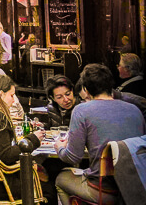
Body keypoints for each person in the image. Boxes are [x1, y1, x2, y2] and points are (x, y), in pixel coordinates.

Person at [55, 64, 146, 205]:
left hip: (104, 190)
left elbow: (73, 156)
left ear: (86, 89)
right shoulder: (135, 110)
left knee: (61, 179)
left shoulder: (81, 111)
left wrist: (59, 147)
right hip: (136, 187)